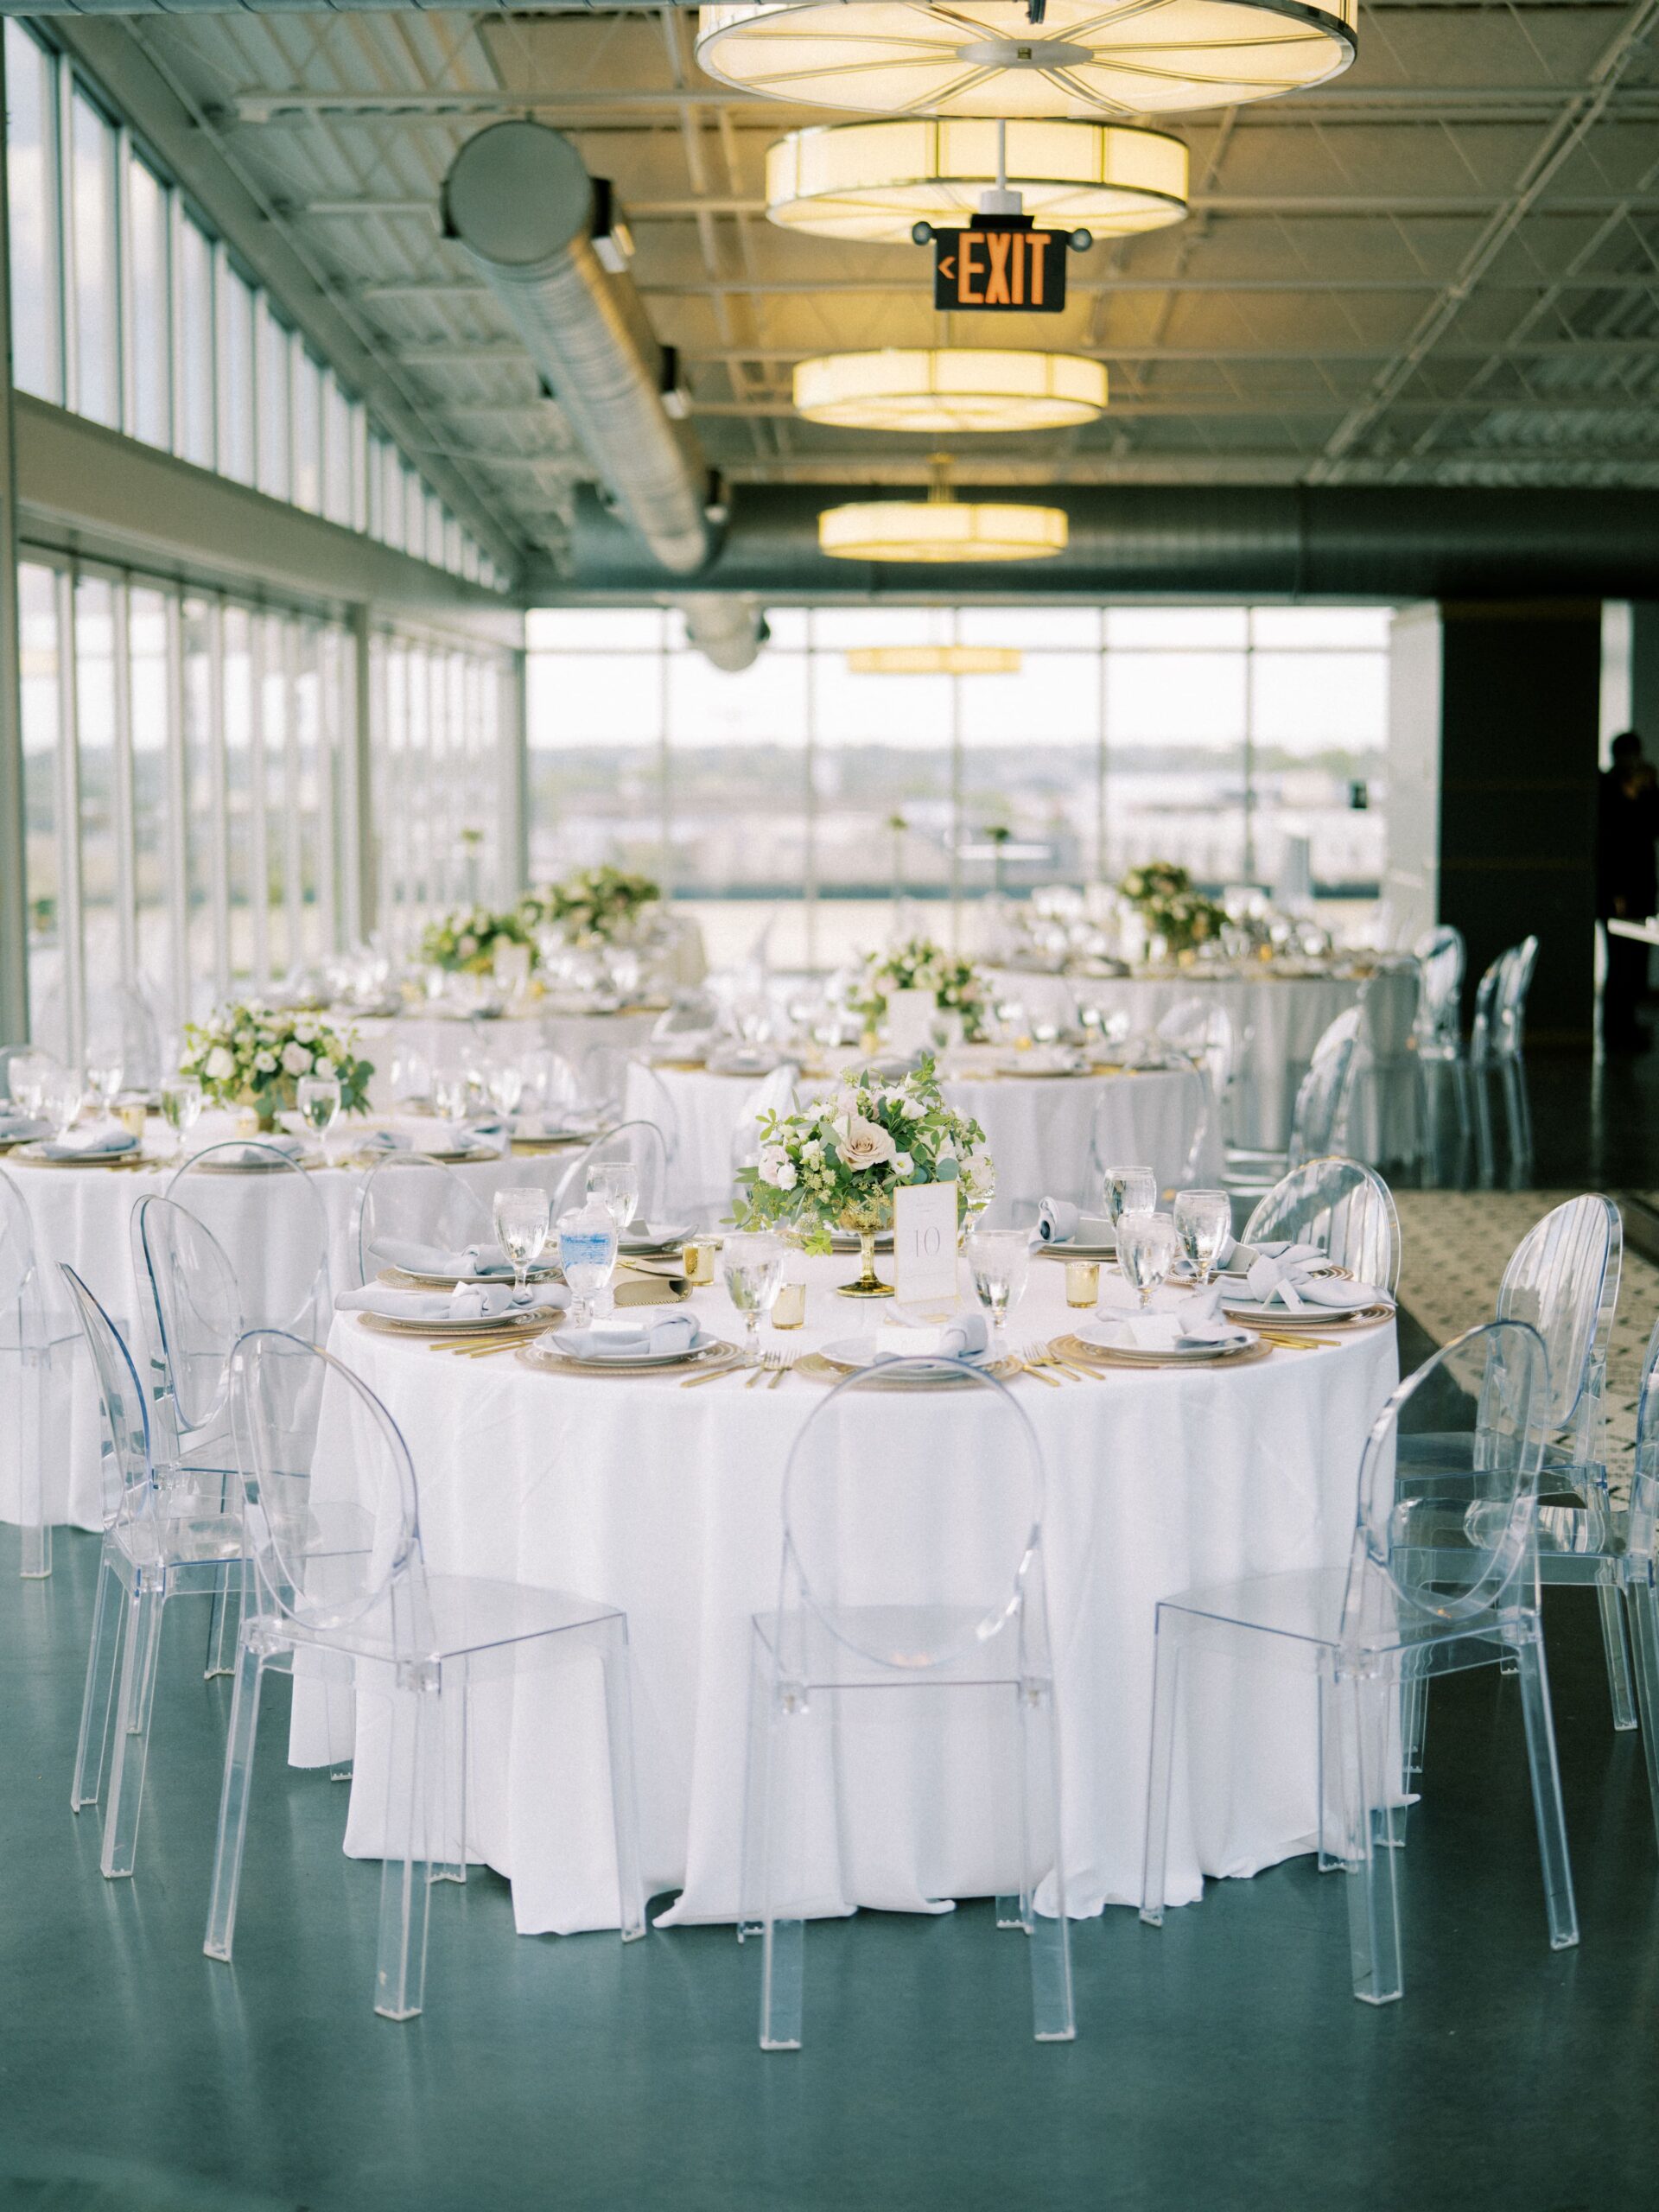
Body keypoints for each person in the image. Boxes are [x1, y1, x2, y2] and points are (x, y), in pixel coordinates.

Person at [1597, 729, 1659, 1052]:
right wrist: (1616, 893)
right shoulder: (1607, 790)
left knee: (1634, 965)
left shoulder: (1643, 791)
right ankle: (1615, 1031)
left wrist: (1649, 789)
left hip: (1640, 889)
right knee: (1620, 964)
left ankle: (1627, 1028)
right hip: (1617, 893)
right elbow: (1609, 847)